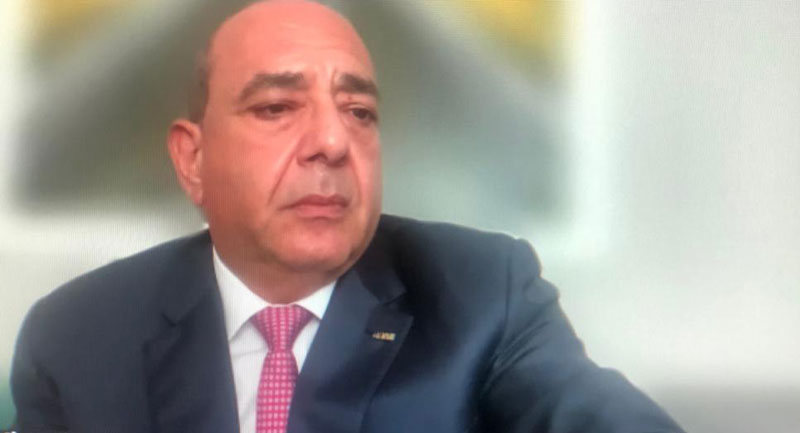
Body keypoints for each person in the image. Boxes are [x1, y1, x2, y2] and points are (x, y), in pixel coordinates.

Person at [10, 1, 685, 432]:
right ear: (194, 158)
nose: (333, 141)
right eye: (277, 108)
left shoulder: (483, 296)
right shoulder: (77, 337)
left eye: (359, 112)